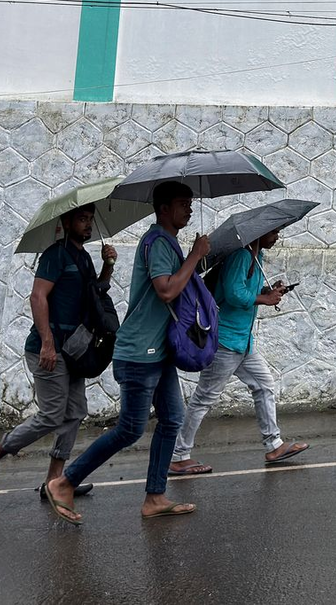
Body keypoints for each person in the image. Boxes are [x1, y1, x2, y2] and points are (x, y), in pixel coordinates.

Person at [43, 180, 210, 525]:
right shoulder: (158, 242)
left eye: (190, 203)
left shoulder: (169, 243)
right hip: (139, 353)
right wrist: (194, 256)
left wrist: (197, 260)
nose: (189, 209)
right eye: (182, 203)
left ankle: (155, 496)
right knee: (130, 429)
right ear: (163, 208)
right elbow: (166, 291)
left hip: (157, 350)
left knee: (172, 419)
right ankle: (64, 482)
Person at [0, 204, 116, 502]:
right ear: (67, 221)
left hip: (73, 350)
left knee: (75, 412)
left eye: (90, 220)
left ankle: (54, 481)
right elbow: (38, 296)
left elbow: (94, 292)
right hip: (48, 349)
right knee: (52, 415)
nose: (88, 225)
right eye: (82, 219)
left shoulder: (84, 257)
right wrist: (48, 343)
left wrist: (108, 265)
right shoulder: (55, 255)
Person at [169, 226, 308, 477]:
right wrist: (264, 300)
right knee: (204, 398)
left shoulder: (257, 256)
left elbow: (243, 291)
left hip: (243, 343)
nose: (277, 237)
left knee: (264, 385)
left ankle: (274, 445)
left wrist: (267, 291)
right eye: (274, 232)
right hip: (226, 340)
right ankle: (179, 455)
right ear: (260, 232)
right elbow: (233, 294)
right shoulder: (242, 255)